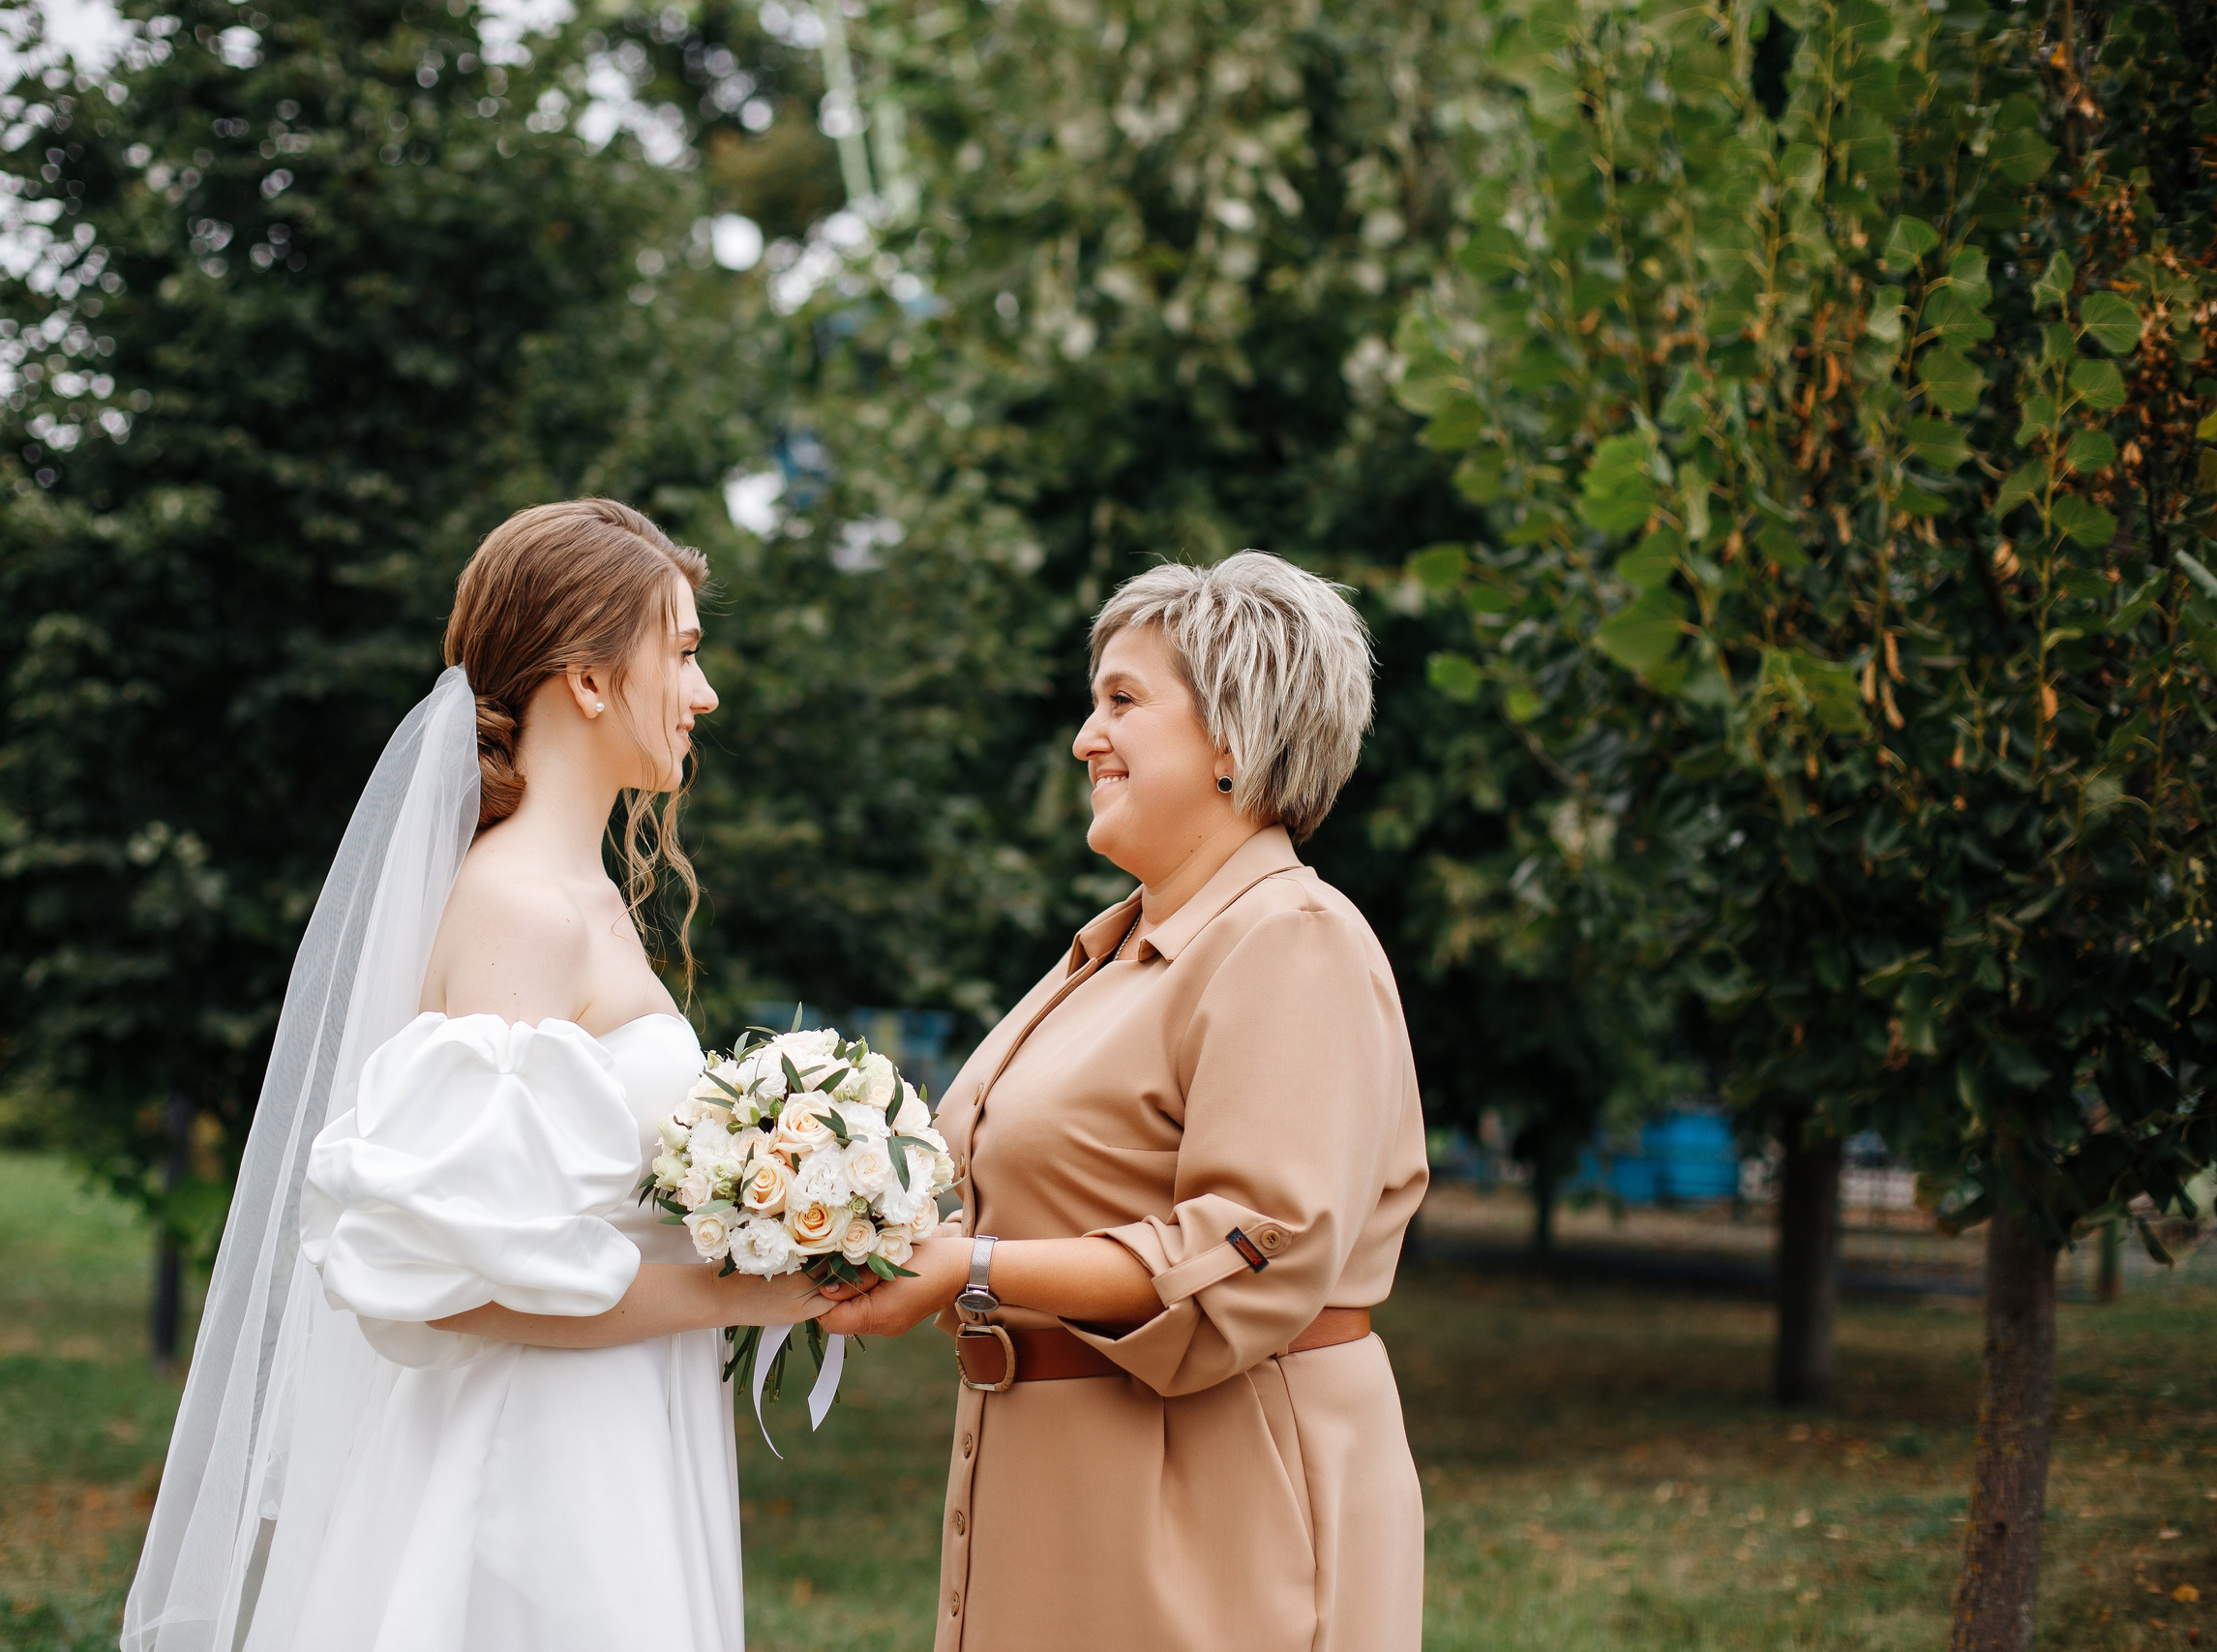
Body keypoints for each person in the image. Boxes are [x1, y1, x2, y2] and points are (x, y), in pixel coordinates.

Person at [123, 500, 826, 1652]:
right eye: (684, 653)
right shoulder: (519, 907)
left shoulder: (586, 897)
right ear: (589, 681)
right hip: (536, 1466)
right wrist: (748, 1295)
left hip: (617, 1420)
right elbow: (456, 1276)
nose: (703, 696)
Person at [820, 552, 1431, 1652]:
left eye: (1122, 702)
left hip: (1212, 1492)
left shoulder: (1290, 937)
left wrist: (971, 1271)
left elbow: (1247, 1251)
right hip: (1056, 1475)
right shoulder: (1111, 952)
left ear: (1233, 737)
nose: (1083, 738)